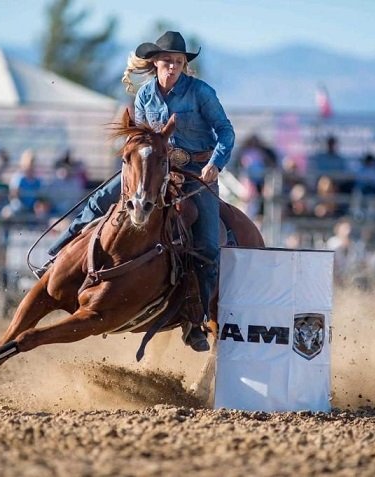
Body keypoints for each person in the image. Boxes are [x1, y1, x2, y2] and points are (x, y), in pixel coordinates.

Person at [46, 31, 234, 352]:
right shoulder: (145, 96)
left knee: (207, 245)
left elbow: (225, 131)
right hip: (154, 171)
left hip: (195, 175)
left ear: (184, 65)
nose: (172, 67)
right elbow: (143, 137)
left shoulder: (201, 93)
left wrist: (215, 163)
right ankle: (58, 254)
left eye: (177, 62)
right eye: (166, 62)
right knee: (99, 200)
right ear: (155, 64)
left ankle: (195, 317)